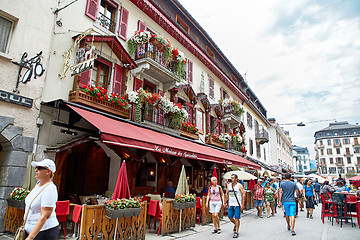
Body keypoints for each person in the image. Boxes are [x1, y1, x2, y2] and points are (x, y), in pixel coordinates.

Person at [25, 159, 59, 240]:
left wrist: (30, 237)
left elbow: (45, 215)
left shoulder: (50, 188)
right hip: (32, 230)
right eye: (36, 168)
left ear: (48, 172)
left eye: (40, 168)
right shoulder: (38, 185)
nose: (36, 170)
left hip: (44, 232)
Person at [225, 174, 245, 238]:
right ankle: (236, 225)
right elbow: (226, 194)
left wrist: (242, 204)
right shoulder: (229, 185)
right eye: (231, 178)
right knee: (230, 217)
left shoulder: (239, 186)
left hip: (237, 204)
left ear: (236, 179)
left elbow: (243, 195)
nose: (232, 179)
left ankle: (236, 232)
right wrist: (225, 202)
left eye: (233, 178)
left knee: (237, 218)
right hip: (231, 203)